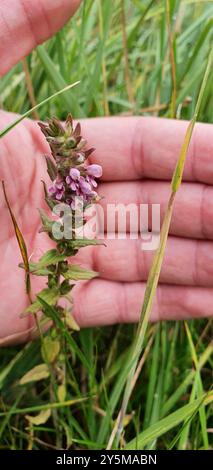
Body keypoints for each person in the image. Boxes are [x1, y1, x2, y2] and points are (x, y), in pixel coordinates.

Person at [0, 0, 213, 345]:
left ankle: (59, 328)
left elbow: (81, 191)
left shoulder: (78, 177)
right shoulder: (61, 183)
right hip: (63, 221)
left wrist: (74, 199)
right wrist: (63, 199)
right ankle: (55, 315)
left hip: (70, 217)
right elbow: (63, 194)